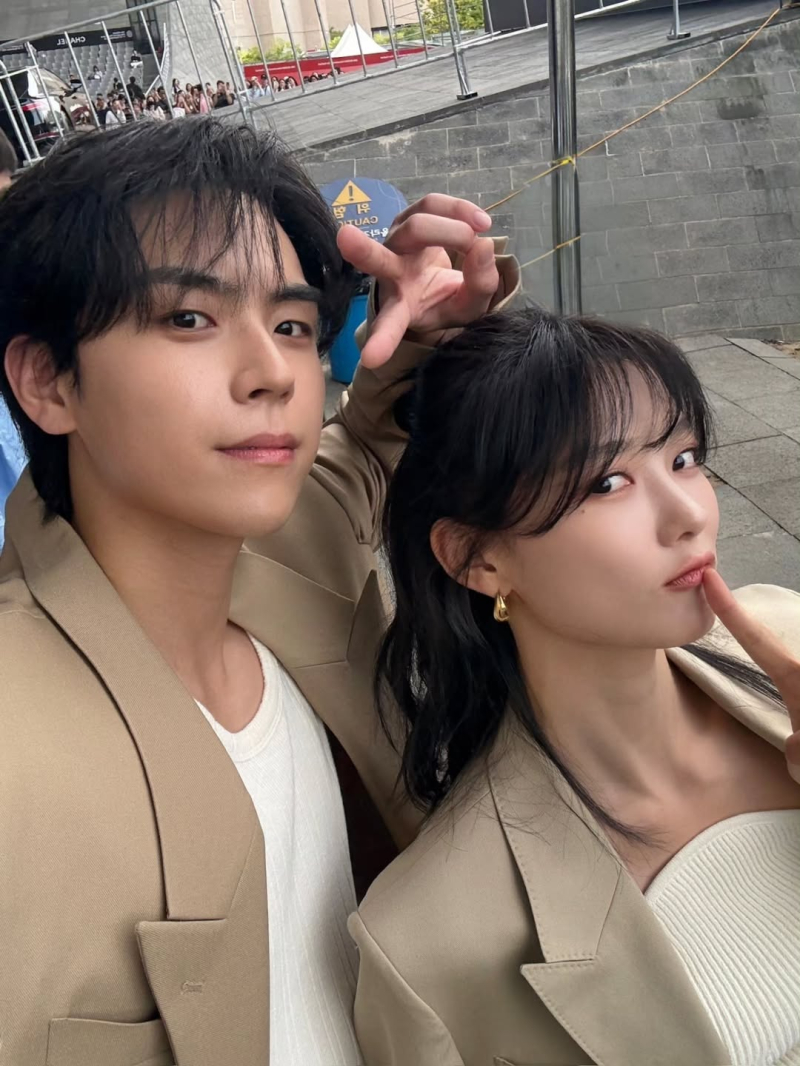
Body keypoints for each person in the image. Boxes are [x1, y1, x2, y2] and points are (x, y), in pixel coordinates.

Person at [0, 118, 515, 1065]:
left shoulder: (290, 550)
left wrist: (432, 325)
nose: (273, 372)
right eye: (188, 319)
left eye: (292, 326)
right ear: (48, 382)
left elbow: (370, 442)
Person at [349, 309, 800, 1066]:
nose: (689, 514)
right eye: (609, 482)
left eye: (685, 458)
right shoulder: (428, 941)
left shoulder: (788, 635)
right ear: (477, 559)